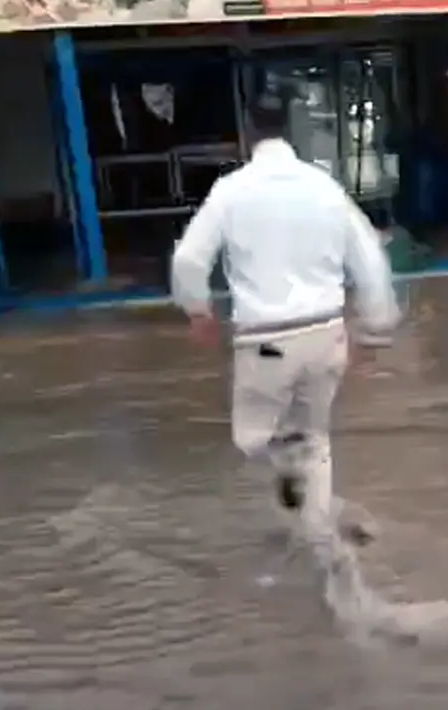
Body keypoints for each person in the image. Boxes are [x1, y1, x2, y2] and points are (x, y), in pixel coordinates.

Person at [170, 88, 400, 613]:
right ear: (289, 129)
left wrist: (198, 311)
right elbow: (370, 261)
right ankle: (321, 529)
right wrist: (374, 331)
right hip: (326, 336)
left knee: (254, 437)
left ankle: (313, 521)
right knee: (314, 439)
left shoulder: (231, 191)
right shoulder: (324, 187)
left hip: (267, 343)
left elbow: (188, 259)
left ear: (249, 131)